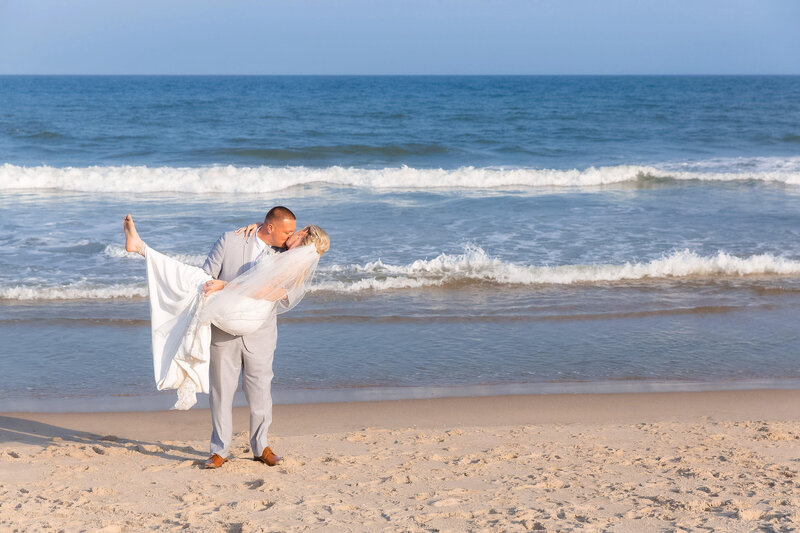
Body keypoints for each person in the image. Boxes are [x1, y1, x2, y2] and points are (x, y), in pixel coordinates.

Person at [123, 209, 330, 470]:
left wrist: (227, 285)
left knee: (261, 394)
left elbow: (274, 292)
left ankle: (261, 446)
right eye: (288, 231)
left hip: (260, 334)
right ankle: (219, 451)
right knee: (221, 393)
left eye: (294, 233)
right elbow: (206, 276)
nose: (291, 236)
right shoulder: (230, 241)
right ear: (270, 227)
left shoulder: (295, 260)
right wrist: (255, 228)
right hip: (223, 330)